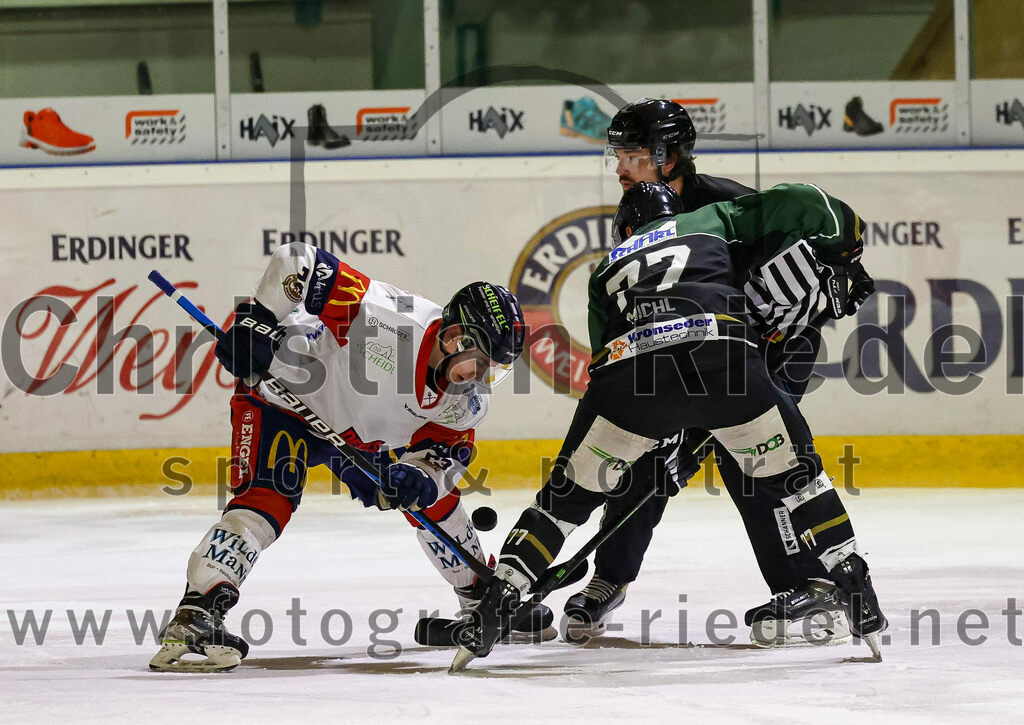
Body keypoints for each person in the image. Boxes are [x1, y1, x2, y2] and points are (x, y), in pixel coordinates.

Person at [452, 181, 887, 671]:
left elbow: (605, 359)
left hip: (632, 382)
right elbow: (810, 202)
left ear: (626, 229)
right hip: (726, 361)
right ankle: (857, 594)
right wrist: (844, 247)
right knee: (803, 484)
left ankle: (492, 608)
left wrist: (657, 430)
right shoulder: (712, 220)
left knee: (562, 503)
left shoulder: (605, 268)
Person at [150, 242, 552, 672]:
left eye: (495, 369)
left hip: (359, 434)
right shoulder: (385, 316)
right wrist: (259, 321)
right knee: (268, 500)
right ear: (456, 337)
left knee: (428, 500)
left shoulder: (464, 400)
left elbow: (444, 454)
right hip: (280, 400)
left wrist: (421, 477)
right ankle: (197, 611)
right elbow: (298, 260)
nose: (483, 379)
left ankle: (480, 600)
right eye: (481, 363)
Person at [564, 98, 869, 647]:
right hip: (695, 359)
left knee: (751, 458)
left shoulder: (730, 205)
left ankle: (810, 584)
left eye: (631, 156)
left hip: (773, 352)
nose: (620, 168)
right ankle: (609, 577)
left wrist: (845, 257)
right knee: (642, 452)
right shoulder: (640, 220)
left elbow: (808, 272)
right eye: (618, 156)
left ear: (669, 155)